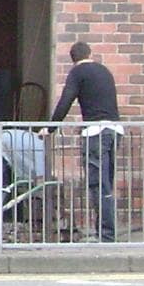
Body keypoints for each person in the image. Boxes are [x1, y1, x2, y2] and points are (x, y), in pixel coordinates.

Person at [50, 39, 121, 242]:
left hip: (96, 133)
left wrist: (51, 127)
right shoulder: (104, 71)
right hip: (115, 130)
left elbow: (65, 101)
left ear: (73, 60)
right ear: (90, 54)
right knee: (106, 184)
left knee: (98, 185)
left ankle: (106, 236)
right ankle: (106, 232)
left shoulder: (78, 73)